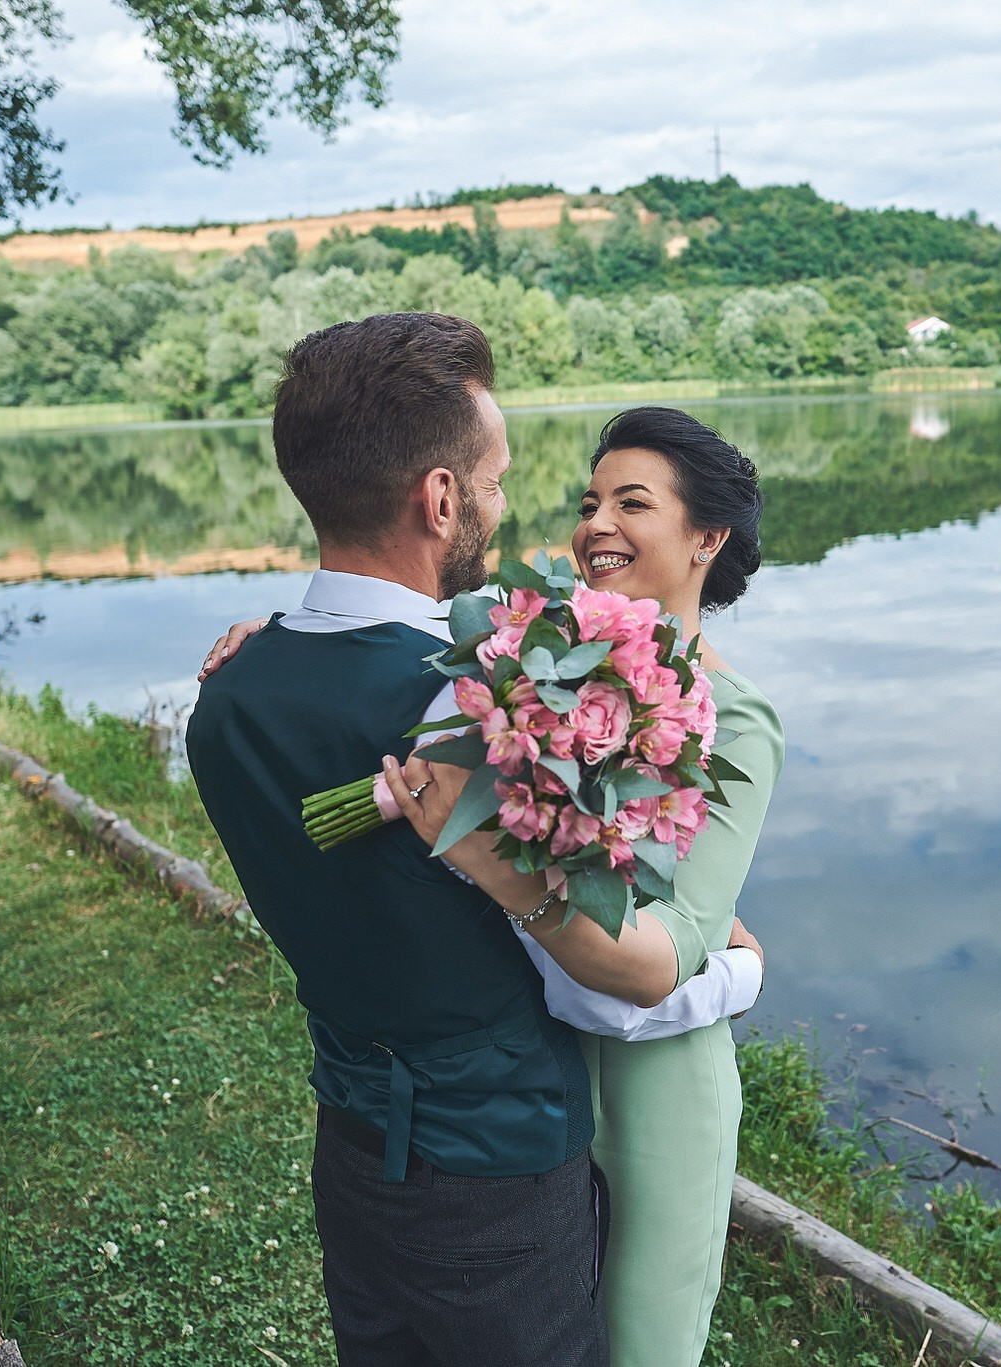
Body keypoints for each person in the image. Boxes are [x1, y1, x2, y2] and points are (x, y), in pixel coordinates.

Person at [186, 314, 743, 1367]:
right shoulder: (486, 712)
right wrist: (738, 971)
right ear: (439, 498)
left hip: (350, 1145)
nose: (502, 502)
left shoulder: (223, 698)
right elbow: (599, 981)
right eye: (492, 478)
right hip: (496, 1175)